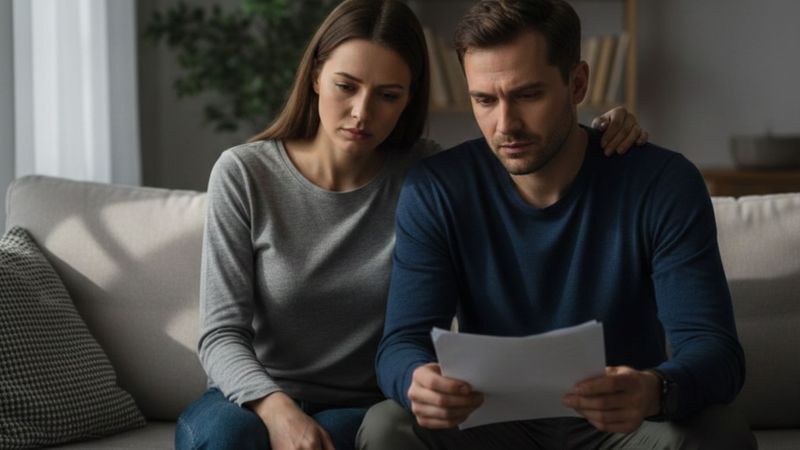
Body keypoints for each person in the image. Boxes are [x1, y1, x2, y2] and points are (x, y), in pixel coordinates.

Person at [174, 0, 647, 449]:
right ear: (316, 76)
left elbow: (523, 150)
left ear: (408, 100)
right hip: (253, 397)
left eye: (388, 95)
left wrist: (602, 127)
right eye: (346, 85)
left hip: (361, 405)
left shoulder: (427, 179)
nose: (362, 112)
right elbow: (220, 334)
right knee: (228, 439)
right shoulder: (244, 173)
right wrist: (278, 410)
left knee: (368, 436)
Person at [359, 1, 758, 449]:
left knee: (721, 431)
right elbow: (401, 343)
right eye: (484, 100)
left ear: (578, 83)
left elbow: (716, 352)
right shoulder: (437, 188)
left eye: (529, 95)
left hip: (620, 427)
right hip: (487, 424)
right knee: (386, 425)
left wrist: (656, 389)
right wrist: (416, 380)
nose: (505, 124)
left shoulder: (662, 183)